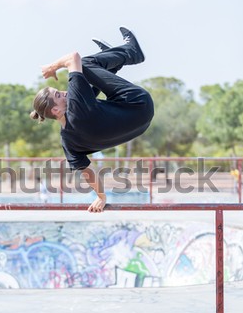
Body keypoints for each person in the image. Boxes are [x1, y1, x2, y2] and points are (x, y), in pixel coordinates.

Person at [30, 27, 154, 213]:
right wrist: (53, 67)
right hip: (137, 102)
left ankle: (110, 60)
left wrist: (101, 197)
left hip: (140, 124)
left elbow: (88, 172)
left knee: (89, 83)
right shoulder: (76, 106)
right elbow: (74, 58)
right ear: (56, 110)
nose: (63, 92)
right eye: (58, 94)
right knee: (86, 64)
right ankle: (131, 52)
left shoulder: (67, 142)